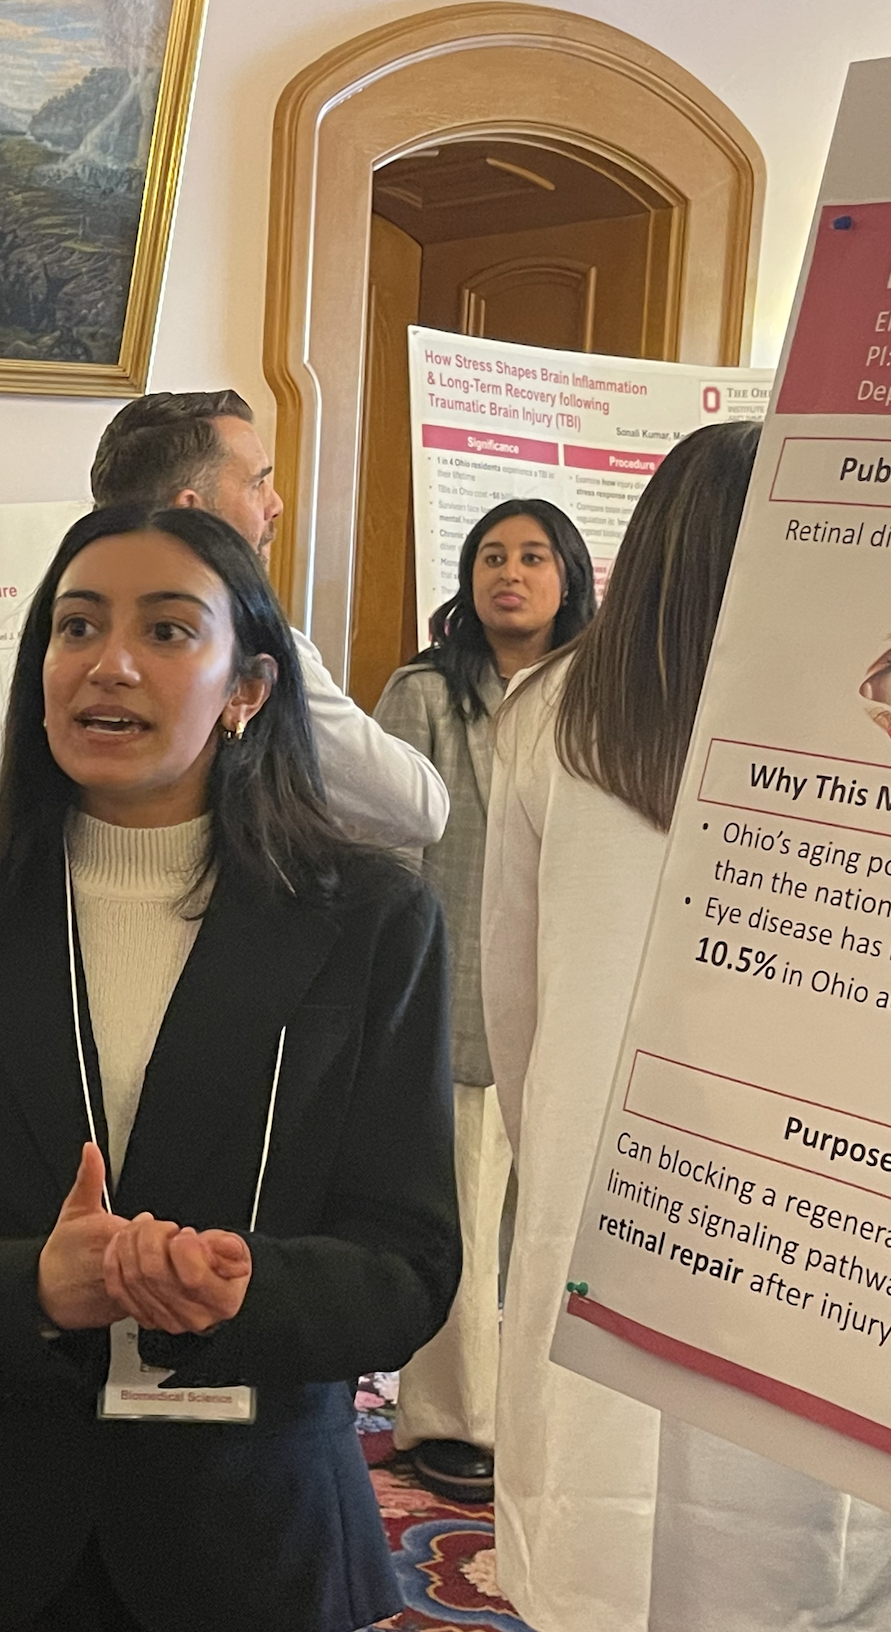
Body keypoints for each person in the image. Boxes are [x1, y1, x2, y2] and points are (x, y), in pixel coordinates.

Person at [0, 503, 460, 1632]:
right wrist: (29, 1285)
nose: (107, 664)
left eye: (167, 629)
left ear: (246, 687)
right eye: (75, 627)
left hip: (242, 1520)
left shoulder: (369, 921)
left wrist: (248, 1289)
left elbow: (403, 1260)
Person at [482, 421, 891, 1632]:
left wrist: (560, 1157)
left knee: (620, 1628)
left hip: (615, 1224)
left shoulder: (553, 719)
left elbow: (516, 1008)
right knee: (844, 1609)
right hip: (839, 1225)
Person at [377, 499, 596, 1504]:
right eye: (490, 557)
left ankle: (540, 1413)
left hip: (570, 988)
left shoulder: (600, 691)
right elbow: (382, 839)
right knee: (460, 1213)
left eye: (532, 556)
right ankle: (451, 1419)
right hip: (453, 987)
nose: (509, 573)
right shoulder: (422, 691)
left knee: (547, 1220)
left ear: (569, 576)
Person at [90, 389, 448, 852]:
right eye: (258, 483)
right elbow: (416, 807)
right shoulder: (253, 648)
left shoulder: (62, 635)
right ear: (191, 512)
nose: (275, 504)